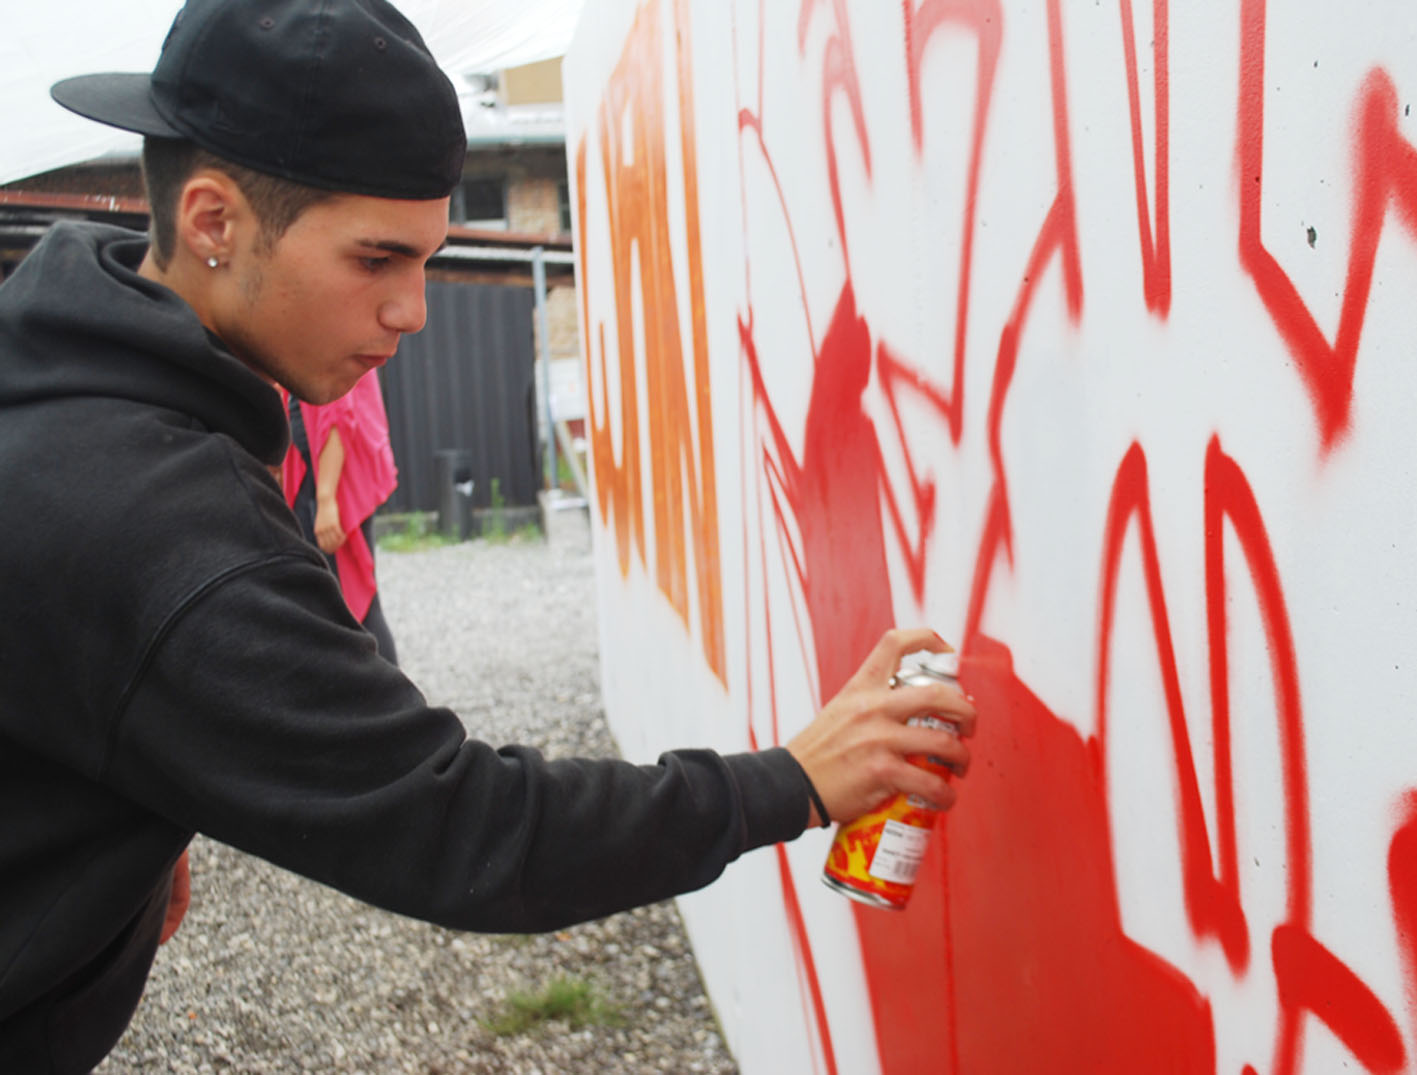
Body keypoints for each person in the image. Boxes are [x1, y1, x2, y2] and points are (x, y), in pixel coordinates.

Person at [0, 1, 977, 1071]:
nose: (412, 310)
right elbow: (464, 827)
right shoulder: (160, 523)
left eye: (426, 258)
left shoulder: (58, 382)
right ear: (212, 221)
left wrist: (126, 807)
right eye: (376, 258)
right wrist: (792, 779)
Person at [283, 370, 400, 663]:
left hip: (331, 484)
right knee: (338, 603)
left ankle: (383, 689)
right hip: (323, 479)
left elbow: (336, 409)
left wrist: (326, 499)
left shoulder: (325, 343)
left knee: (353, 603)